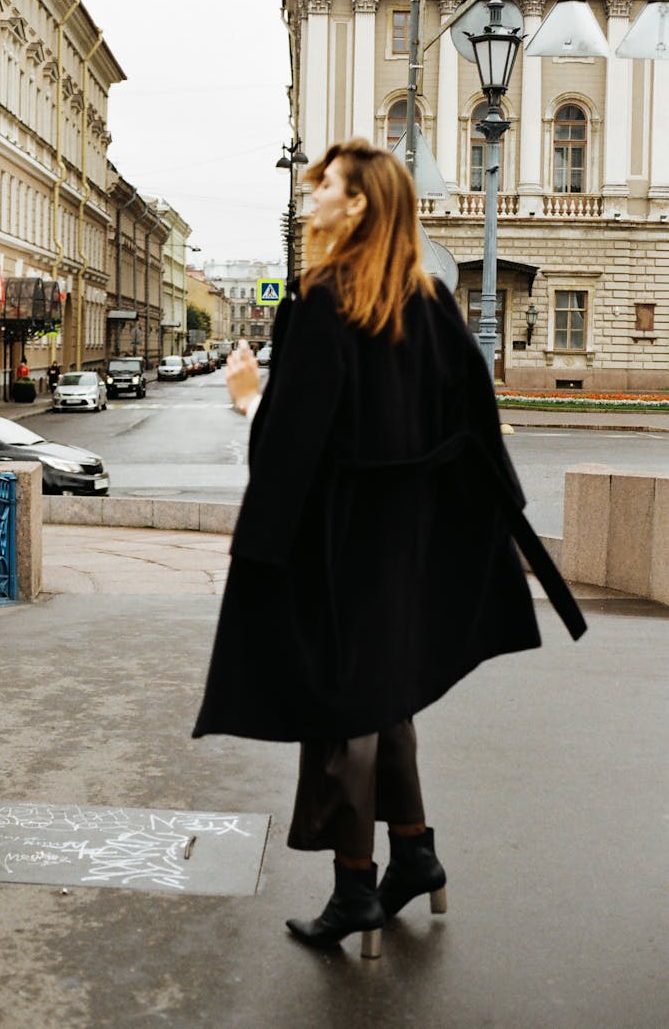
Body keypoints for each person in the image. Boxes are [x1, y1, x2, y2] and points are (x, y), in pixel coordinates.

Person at [192, 139, 586, 959]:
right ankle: (413, 850)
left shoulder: (325, 298)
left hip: (342, 539)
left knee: (343, 707)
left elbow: (293, 443)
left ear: (360, 204)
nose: (311, 202)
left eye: (324, 189)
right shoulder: (433, 299)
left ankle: (354, 888)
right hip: (409, 540)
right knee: (382, 692)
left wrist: (246, 400)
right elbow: (476, 423)